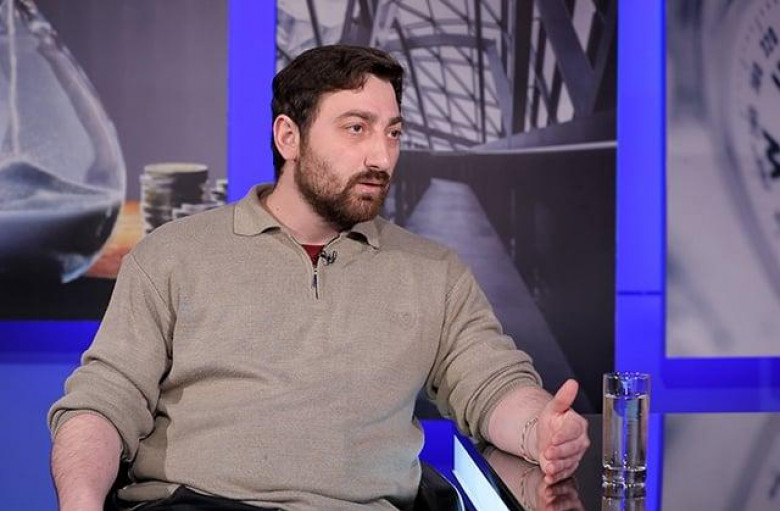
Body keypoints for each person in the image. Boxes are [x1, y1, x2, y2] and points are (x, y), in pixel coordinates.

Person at [48, 45, 589, 511]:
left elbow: (491, 384)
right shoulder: (172, 255)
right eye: (356, 128)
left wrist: (540, 429)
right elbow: (103, 404)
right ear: (289, 137)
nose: (381, 156)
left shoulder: (434, 271)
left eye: (393, 132)